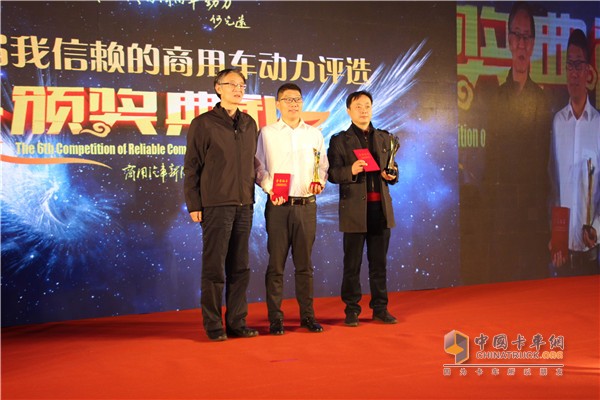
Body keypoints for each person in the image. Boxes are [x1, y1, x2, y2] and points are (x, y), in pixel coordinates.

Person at [184, 68, 259, 341]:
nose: (238, 89)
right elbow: (191, 167)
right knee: (215, 267)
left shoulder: (249, 123)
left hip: (244, 204)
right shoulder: (204, 123)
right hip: (216, 204)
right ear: (218, 88)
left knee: (240, 267)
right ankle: (214, 325)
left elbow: (255, 164)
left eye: (241, 85)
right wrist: (194, 203)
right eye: (232, 84)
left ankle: (237, 322)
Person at [483, 1, 552, 281]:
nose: (522, 43)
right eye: (517, 35)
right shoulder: (496, 99)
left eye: (527, 37)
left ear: (533, 43)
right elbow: (490, 159)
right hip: (504, 210)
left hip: (534, 211)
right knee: (504, 283)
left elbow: (546, 159)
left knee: (534, 283)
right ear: (509, 40)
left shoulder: (543, 99)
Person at [255, 83, 329, 335]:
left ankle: (308, 316)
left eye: (297, 99)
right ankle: (275, 318)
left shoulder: (314, 134)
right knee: (276, 265)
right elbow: (259, 168)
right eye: (287, 100)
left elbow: (322, 167)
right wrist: (269, 188)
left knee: (304, 266)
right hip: (278, 207)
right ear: (277, 104)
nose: (293, 104)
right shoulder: (266, 133)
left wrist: (320, 181)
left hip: (306, 206)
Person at [327, 90, 399, 327]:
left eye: (367, 105)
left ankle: (380, 308)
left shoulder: (385, 138)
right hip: (355, 211)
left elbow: (394, 169)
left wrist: (392, 175)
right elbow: (333, 174)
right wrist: (352, 170)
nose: (363, 110)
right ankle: (351, 310)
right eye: (358, 106)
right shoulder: (339, 140)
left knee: (379, 264)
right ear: (348, 111)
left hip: (380, 210)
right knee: (352, 264)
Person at [549, 29, 600, 276]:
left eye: (579, 65)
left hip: (592, 258)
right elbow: (550, 187)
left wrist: (597, 229)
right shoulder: (556, 123)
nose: (574, 72)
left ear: (588, 71)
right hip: (561, 257)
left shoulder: (599, 125)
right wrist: (553, 238)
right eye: (570, 65)